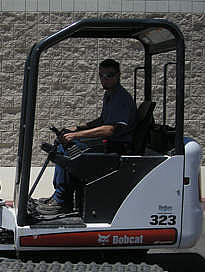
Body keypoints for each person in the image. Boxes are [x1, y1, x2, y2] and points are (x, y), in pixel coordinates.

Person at [35, 59, 137, 216]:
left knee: (67, 149)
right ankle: (60, 195)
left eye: (109, 75)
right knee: (63, 143)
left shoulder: (121, 98)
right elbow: (103, 120)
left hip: (116, 146)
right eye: (101, 75)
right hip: (109, 143)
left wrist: (75, 135)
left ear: (118, 75)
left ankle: (62, 200)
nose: (105, 79)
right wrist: (79, 127)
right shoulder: (110, 95)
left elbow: (110, 129)